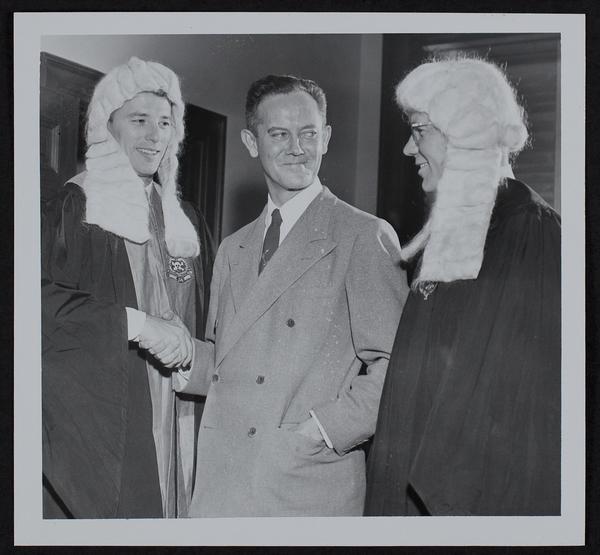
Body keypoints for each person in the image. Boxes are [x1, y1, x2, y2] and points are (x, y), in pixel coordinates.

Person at [155, 74, 408, 516]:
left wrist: (326, 429)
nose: (297, 148)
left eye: (309, 133)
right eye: (279, 134)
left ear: (326, 137)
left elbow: (398, 366)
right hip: (222, 483)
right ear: (251, 142)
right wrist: (182, 353)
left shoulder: (362, 235)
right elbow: (227, 363)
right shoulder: (233, 248)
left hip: (302, 484)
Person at [364, 57, 561, 516]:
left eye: (419, 130)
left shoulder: (532, 234)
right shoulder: (452, 235)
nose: (407, 149)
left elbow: (510, 428)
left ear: (466, 132)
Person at [42, 57, 211, 518]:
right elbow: (38, 307)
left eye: (164, 122)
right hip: (111, 431)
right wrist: (135, 324)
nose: (154, 136)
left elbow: (215, 328)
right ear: (108, 125)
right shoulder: (76, 207)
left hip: (183, 426)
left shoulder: (188, 221)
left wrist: (191, 359)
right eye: (139, 121)